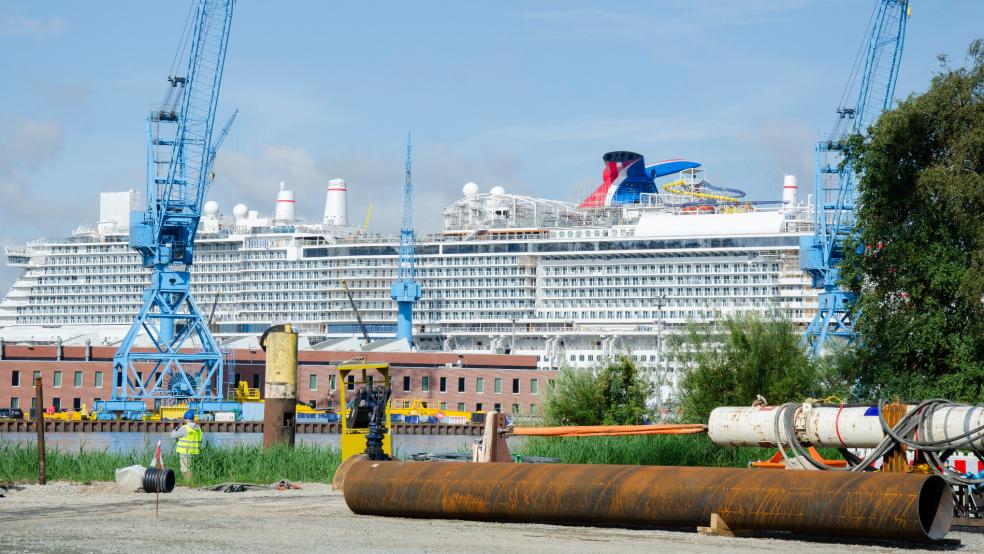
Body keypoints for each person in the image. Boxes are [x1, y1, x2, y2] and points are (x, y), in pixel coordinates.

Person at [171, 409, 202, 480]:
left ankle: (188, 482)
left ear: (186, 419)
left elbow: (173, 436)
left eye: (184, 419)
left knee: (185, 469)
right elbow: (200, 440)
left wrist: (174, 430)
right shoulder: (198, 429)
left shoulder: (185, 428)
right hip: (195, 452)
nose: (184, 420)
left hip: (185, 452)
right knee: (191, 468)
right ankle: (192, 481)